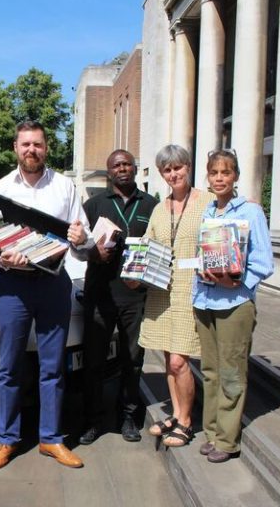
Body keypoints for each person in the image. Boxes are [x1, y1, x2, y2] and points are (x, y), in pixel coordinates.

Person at [0, 120, 93, 471]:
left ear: (47, 148)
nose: (32, 150)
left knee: (53, 367)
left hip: (53, 283)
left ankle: (51, 438)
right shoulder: (0, 189)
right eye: (25, 144)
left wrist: (81, 240)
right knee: (9, 366)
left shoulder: (65, 187)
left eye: (38, 144)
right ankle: (7, 440)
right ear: (15, 148)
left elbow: (83, 238)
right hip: (12, 285)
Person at [193, 150, 273, 463]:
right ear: (208, 177)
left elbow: (264, 262)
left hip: (235, 303)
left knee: (231, 372)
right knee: (210, 372)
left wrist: (236, 281)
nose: (220, 178)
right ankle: (211, 432)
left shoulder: (251, 212)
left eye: (226, 172)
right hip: (205, 299)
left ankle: (227, 440)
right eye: (214, 173)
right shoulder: (208, 212)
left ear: (235, 176)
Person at [133, 144, 214, 448]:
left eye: (178, 167)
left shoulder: (206, 202)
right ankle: (177, 414)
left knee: (180, 360)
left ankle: (187, 422)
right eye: (168, 169)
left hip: (191, 288)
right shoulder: (159, 208)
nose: (174, 173)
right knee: (169, 358)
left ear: (188, 167)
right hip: (161, 291)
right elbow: (147, 245)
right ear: (162, 174)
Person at [79, 149, 159, 445]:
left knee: (133, 360)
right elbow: (77, 248)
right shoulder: (94, 205)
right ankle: (92, 421)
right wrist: (93, 252)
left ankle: (128, 417)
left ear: (135, 169)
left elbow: (159, 245)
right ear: (108, 171)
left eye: (127, 164)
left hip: (135, 296)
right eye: (117, 165)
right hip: (100, 295)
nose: (122, 169)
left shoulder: (151, 205)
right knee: (94, 361)